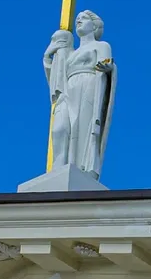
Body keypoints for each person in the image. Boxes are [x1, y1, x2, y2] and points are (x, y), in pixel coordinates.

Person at [42, 10, 117, 176]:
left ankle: (82, 168)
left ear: (94, 25)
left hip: (88, 85)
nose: (78, 21)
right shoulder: (69, 53)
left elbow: (107, 64)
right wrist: (48, 56)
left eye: (83, 18)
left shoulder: (101, 46)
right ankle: (59, 166)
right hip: (69, 90)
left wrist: (108, 68)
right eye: (77, 19)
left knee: (83, 127)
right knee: (59, 128)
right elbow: (56, 77)